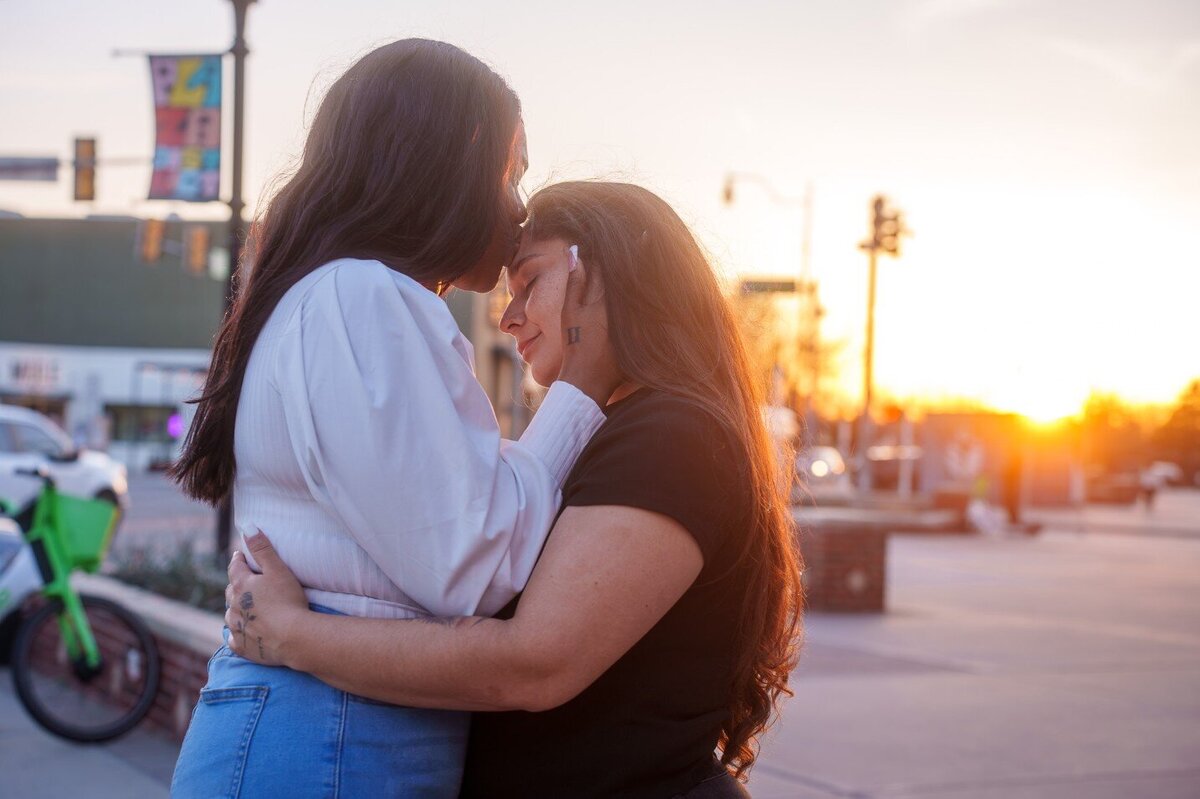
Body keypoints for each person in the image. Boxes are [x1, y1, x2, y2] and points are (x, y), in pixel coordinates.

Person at [226, 182, 806, 798]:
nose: (509, 316)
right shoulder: (621, 431)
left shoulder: (672, 436)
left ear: (609, 276)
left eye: (530, 283)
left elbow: (533, 664)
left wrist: (294, 635)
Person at [168, 41, 617, 798]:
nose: (519, 205)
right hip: (330, 736)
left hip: (332, 729)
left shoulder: (345, 298)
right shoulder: (361, 299)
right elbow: (473, 568)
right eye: (510, 171)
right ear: (440, 161)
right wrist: (583, 387)